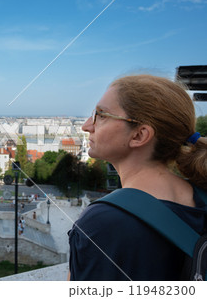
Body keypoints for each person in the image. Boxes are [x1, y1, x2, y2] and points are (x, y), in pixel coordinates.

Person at [68, 74, 207, 281]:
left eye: (101, 115)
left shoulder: (102, 224)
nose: (87, 125)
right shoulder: (201, 198)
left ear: (139, 135)